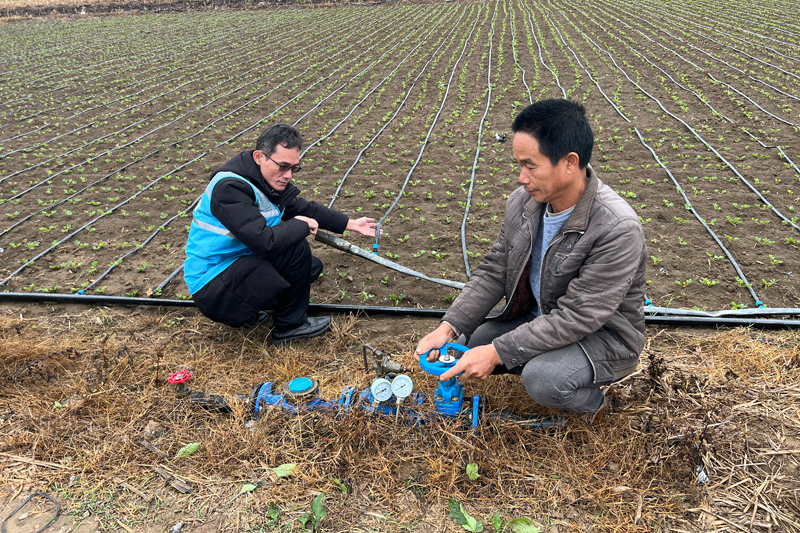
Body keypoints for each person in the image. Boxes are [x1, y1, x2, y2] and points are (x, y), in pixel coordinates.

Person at [415, 99, 647, 421]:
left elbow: (576, 317)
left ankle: (597, 411)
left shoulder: (616, 228)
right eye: (519, 166)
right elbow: (496, 269)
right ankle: (530, 357)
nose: (521, 178)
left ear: (569, 162)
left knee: (542, 379)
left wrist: (498, 353)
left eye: (530, 165)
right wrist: (449, 326)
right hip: (542, 317)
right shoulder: (524, 203)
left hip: (602, 337)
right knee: (474, 339)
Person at [184, 124, 377, 344]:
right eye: (283, 166)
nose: (288, 175)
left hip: (234, 270)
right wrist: (300, 225)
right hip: (212, 288)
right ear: (259, 157)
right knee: (296, 250)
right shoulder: (230, 188)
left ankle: (250, 309)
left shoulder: (264, 182)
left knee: (309, 266)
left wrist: (350, 223)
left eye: (294, 168)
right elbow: (265, 242)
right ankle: (289, 327)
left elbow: (304, 208)